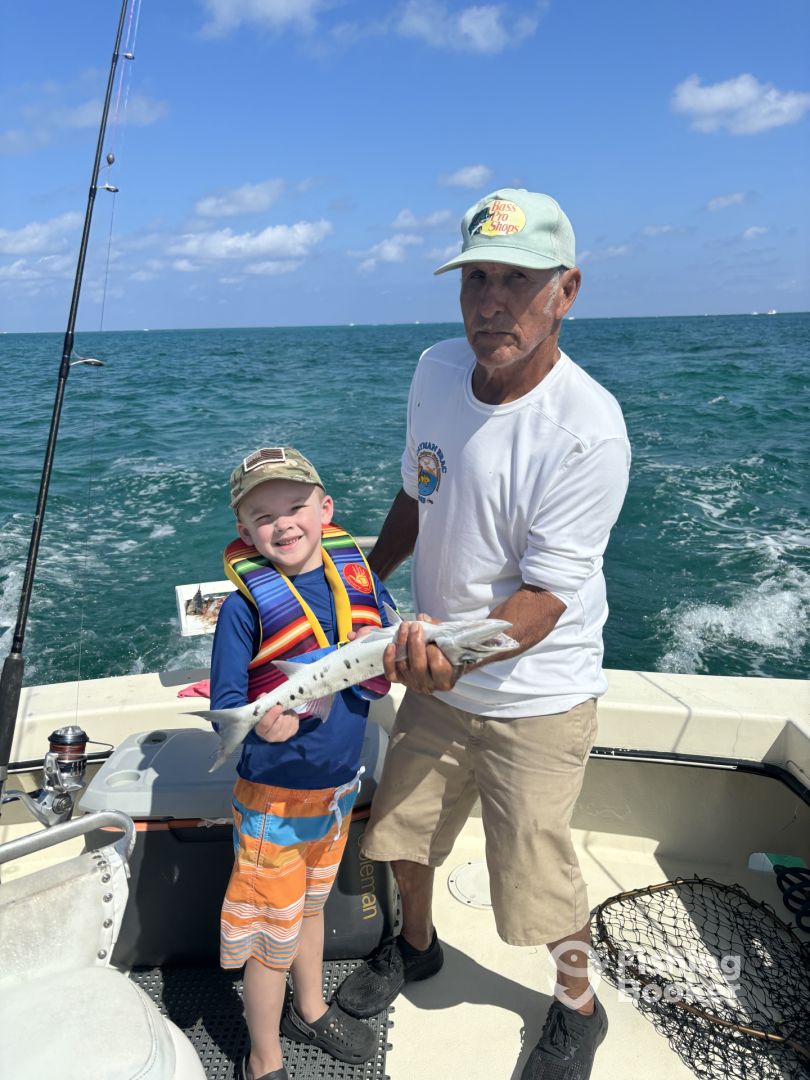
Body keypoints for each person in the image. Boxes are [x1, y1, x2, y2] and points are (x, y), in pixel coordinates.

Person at [334, 189, 631, 1079]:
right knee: (403, 834)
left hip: (536, 694)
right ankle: (416, 947)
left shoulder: (588, 431)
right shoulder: (434, 370)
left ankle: (577, 1007)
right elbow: (415, 493)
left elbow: (542, 602)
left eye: (518, 281)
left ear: (566, 291)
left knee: (538, 880)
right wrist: (355, 588)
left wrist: (449, 660)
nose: (491, 303)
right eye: (476, 279)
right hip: (438, 673)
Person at [210, 446, 397, 1080]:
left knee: (311, 909)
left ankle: (309, 1008)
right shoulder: (242, 610)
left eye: (295, 507)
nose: (283, 524)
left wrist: (406, 642)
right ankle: (263, 1057)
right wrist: (263, 723)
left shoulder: (362, 582)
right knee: (272, 937)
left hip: (338, 791)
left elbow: (389, 651)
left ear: (325, 510)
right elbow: (228, 705)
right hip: (274, 806)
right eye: (264, 517)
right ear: (244, 532)